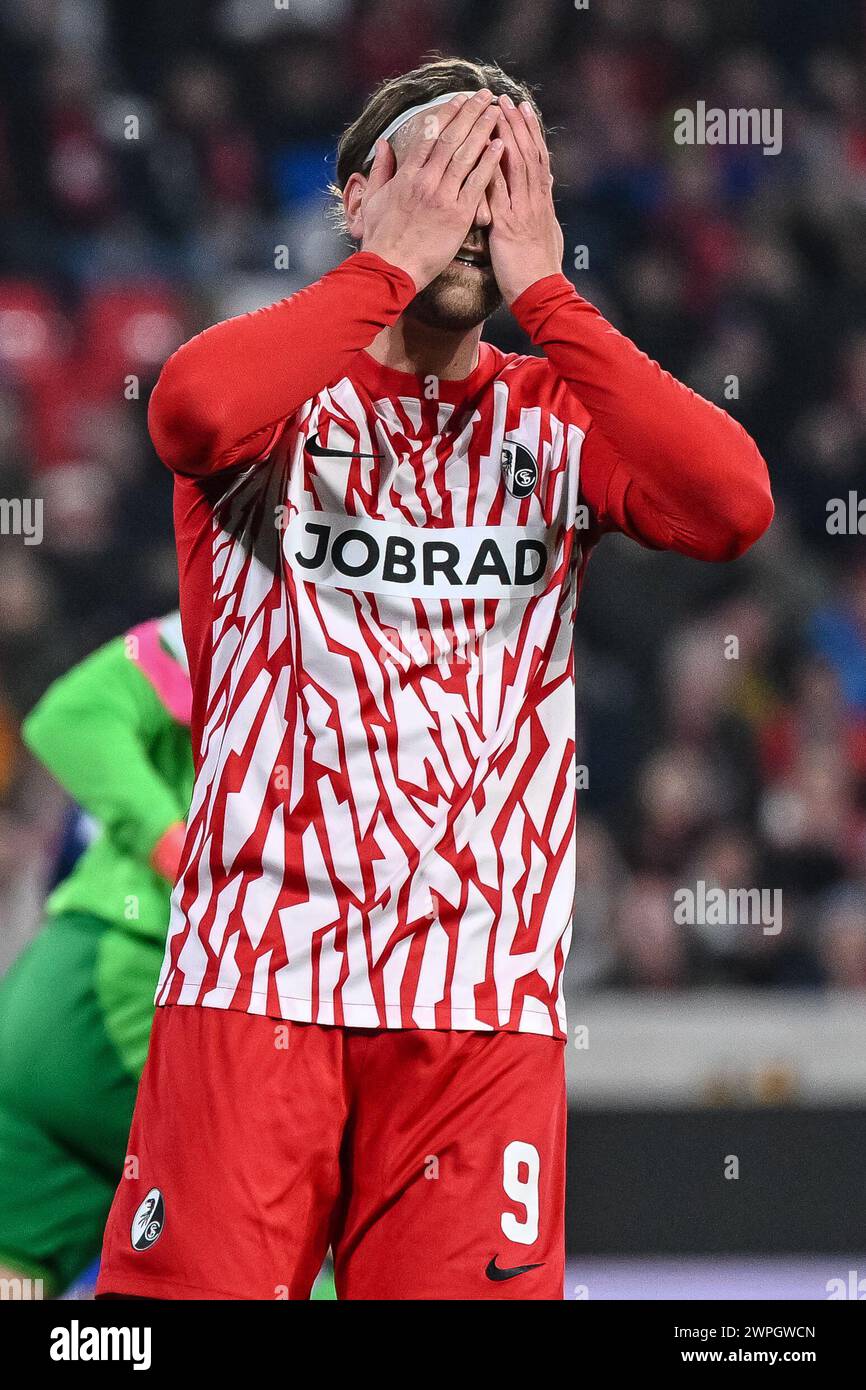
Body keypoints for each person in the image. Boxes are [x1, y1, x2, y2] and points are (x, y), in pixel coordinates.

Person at [97, 56, 773, 1301]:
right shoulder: (281, 399)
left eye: (501, 179)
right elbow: (187, 412)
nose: (470, 207)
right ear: (358, 196)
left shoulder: (551, 419)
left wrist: (553, 294)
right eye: (441, 168)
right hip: (255, 980)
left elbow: (730, 503)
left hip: (479, 1006)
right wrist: (382, 274)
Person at [0, 614, 192, 1295]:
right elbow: (69, 715)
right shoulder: (261, 619)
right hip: (142, 991)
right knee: (307, 1220)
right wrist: (187, 858)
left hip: (57, 985)